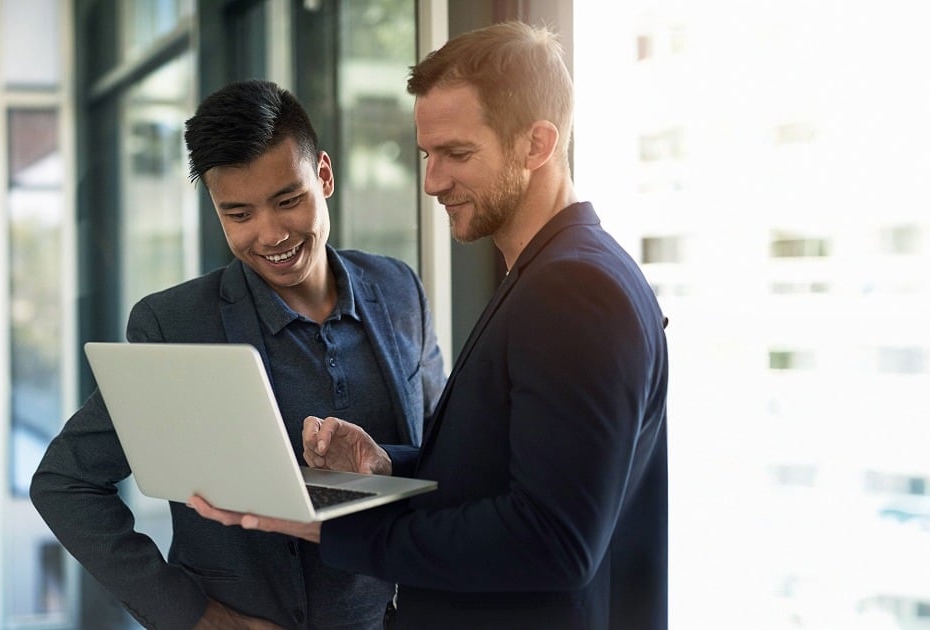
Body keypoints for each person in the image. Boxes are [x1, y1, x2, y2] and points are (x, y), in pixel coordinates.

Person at [190, 22, 669, 630]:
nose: (432, 181)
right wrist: (387, 467)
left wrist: (331, 525)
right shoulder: (552, 276)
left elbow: (553, 541)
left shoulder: (574, 291)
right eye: (426, 154)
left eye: (457, 154)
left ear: (537, 144)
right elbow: (510, 475)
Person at [30, 79, 446, 630]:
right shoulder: (175, 326)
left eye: (287, 200)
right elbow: (65, 483)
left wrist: (383, 463)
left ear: (324, 175)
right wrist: (194, 615)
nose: (270, 234)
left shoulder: (399, 291)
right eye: (239, 214)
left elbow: (446, 456)